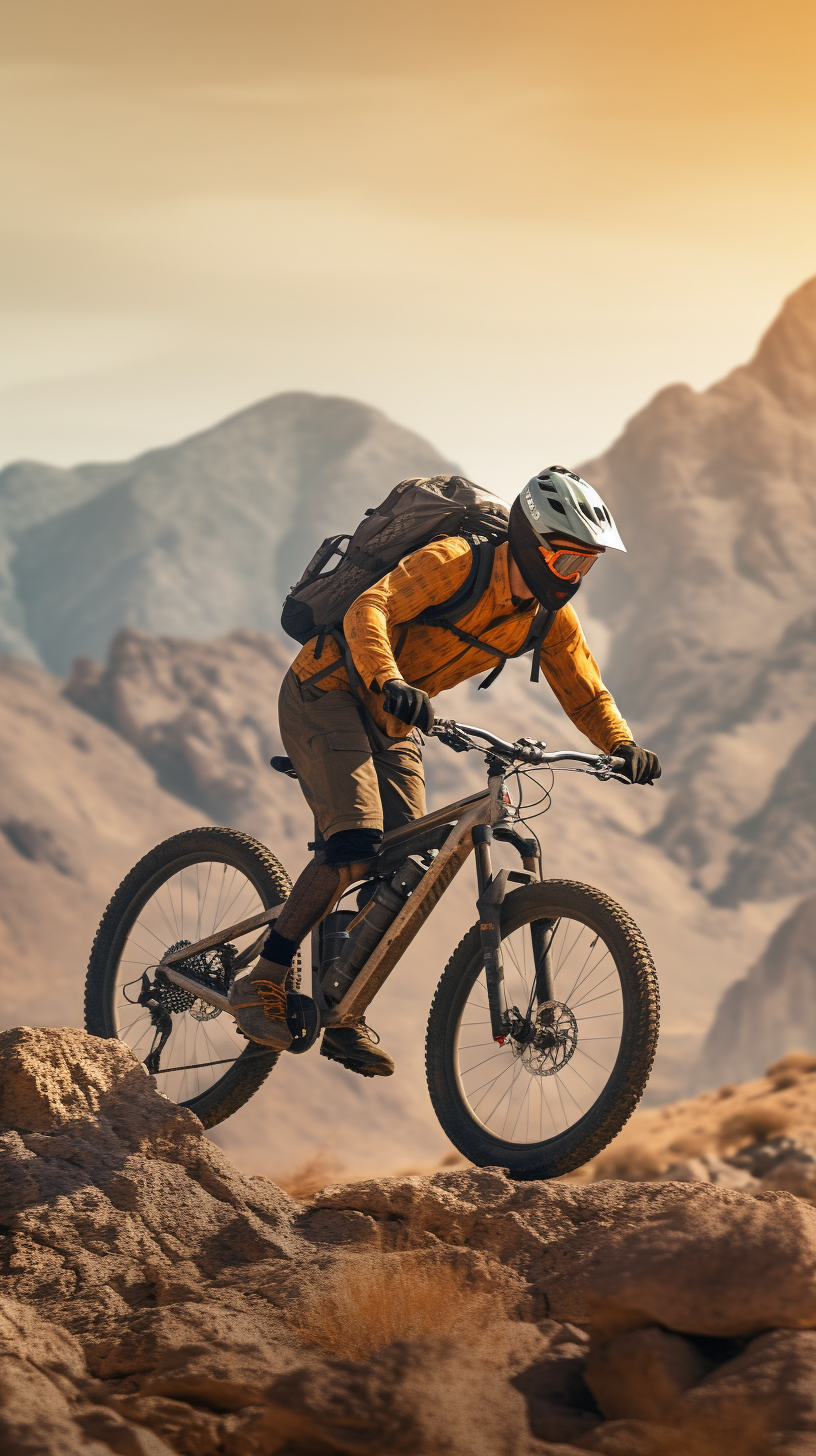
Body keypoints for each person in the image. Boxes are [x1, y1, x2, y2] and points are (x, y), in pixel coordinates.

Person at [229, 467, 661, 1071]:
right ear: (533, 543)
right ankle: (263, 977)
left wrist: (621, 745)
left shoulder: (545, 615)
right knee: (354, 845)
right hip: (327, 689)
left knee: (406, 863)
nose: (573, 578)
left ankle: (340, 1006)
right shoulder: (457, 561)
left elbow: (584, 690)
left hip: (396, 721)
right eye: (567, 561)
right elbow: (367, 609)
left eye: (585, 568)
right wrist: (388, 679)